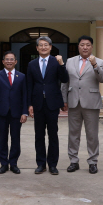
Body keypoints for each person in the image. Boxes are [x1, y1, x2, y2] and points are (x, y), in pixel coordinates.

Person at [62, 35, 103, 174]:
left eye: (88, 45)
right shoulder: (70, 61)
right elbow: (65, 81)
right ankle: (73, 161)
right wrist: (64, 99)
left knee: (92, 134)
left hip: (91, 102)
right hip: (74, 102)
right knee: (73, 134)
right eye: (82, 45)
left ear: (92, 47)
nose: (85, 47)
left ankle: (93, 162)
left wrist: (94, 65)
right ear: (78, 46)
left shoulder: (99, 61)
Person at [27, 36, 69, 175]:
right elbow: (29, 85)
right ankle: (40, 164)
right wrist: (30, 104)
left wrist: (62, 64)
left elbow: (64, 79)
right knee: (39, 135)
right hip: (38, 103)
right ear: (37, 48)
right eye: (41, 45)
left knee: (53, 135)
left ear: (51, 47)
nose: (43, 47)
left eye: (46, 45)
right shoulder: (32, 64)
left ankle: (52, 165)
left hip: (52, 104)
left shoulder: (56, 62)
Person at [0, 51, 28, 174]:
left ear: (15, 61)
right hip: (2, 111)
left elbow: (24, 95)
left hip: (16, 112)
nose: (9, 61)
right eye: (7, 59)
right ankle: (4, 164)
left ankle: (14, 163)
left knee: (15, 139)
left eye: (12, 59)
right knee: (3, 138)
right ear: (3, 61)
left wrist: (24, 112)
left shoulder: (21, 76)